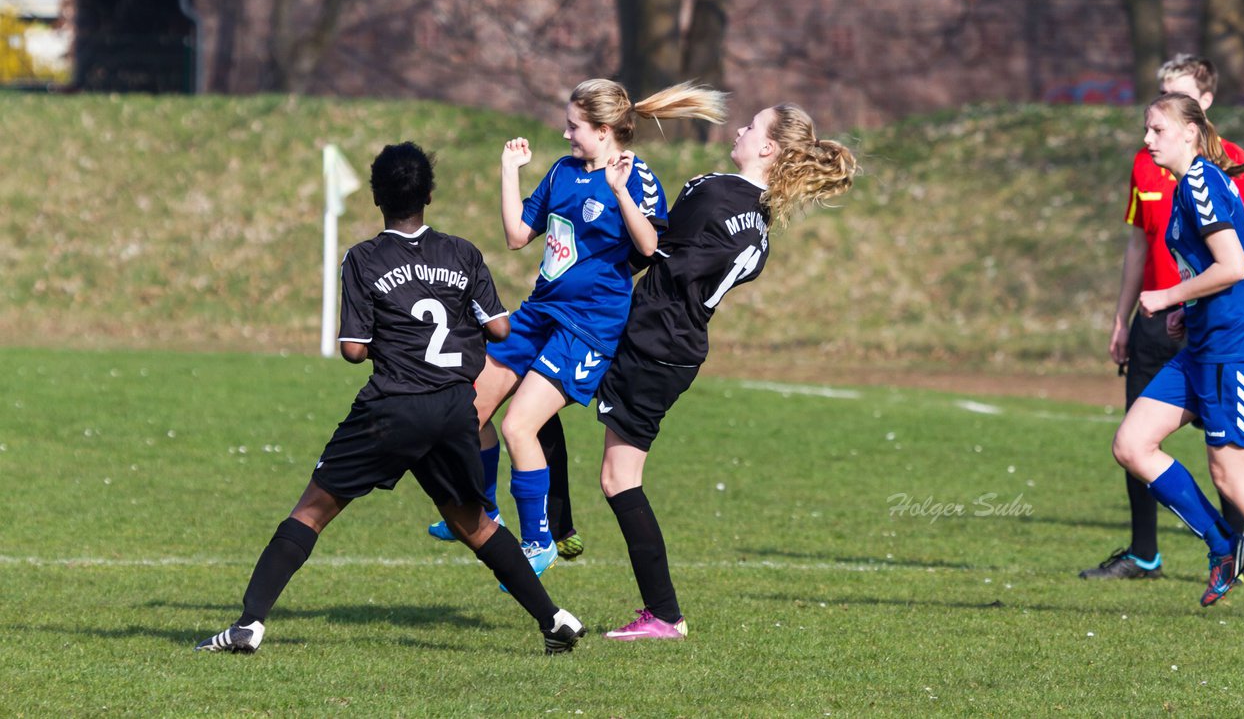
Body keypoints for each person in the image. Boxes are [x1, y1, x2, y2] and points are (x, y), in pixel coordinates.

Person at [195, 142, 585, 655]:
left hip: (392, 407)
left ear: (377, 196)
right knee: (473, 524)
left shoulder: (363, 258)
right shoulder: (462, 253)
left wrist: (392, 337)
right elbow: (500, 327)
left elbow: (354, 350)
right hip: (452, 409)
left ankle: (248, 624)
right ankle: (555, 619)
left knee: (312, 510)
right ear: (429, 194)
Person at [427, 80, 730, 576]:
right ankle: (481, 509)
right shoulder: (563, 172)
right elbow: (516, 236)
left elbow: (651, 247)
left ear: (605, 130)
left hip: (587, 327)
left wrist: (619, 193)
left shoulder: (638, 176)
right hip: (540, 312)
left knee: (518, 426)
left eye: (574, 126)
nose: (566, 133)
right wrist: (508, 172)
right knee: (465, 410)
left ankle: (539, 542)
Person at [594, 103, 857, 639]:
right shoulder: (758, 217)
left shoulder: (713, 190)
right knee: (554, 415)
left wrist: (619, 190)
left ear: (768, 148)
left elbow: (651, 250)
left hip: (649, 338)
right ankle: (546, 527)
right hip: (679, 346)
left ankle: (662, 613)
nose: (739, 128)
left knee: (619, 478)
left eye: (752, 125)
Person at [1081, 54, 1244, 579]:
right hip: (1203, 345)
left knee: (1235, 479)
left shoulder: (1204, 184)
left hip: (1237, 346)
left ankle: (1232, 546)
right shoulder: (1188, 185)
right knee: (1132, 443)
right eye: (1146, 128)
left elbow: (1235, 267)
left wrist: (1166, 297)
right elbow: (1209, 266)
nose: (1147, 139)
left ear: (1191, 132)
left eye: (1157, 129)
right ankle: (1223, 546)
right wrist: (1186, 309)